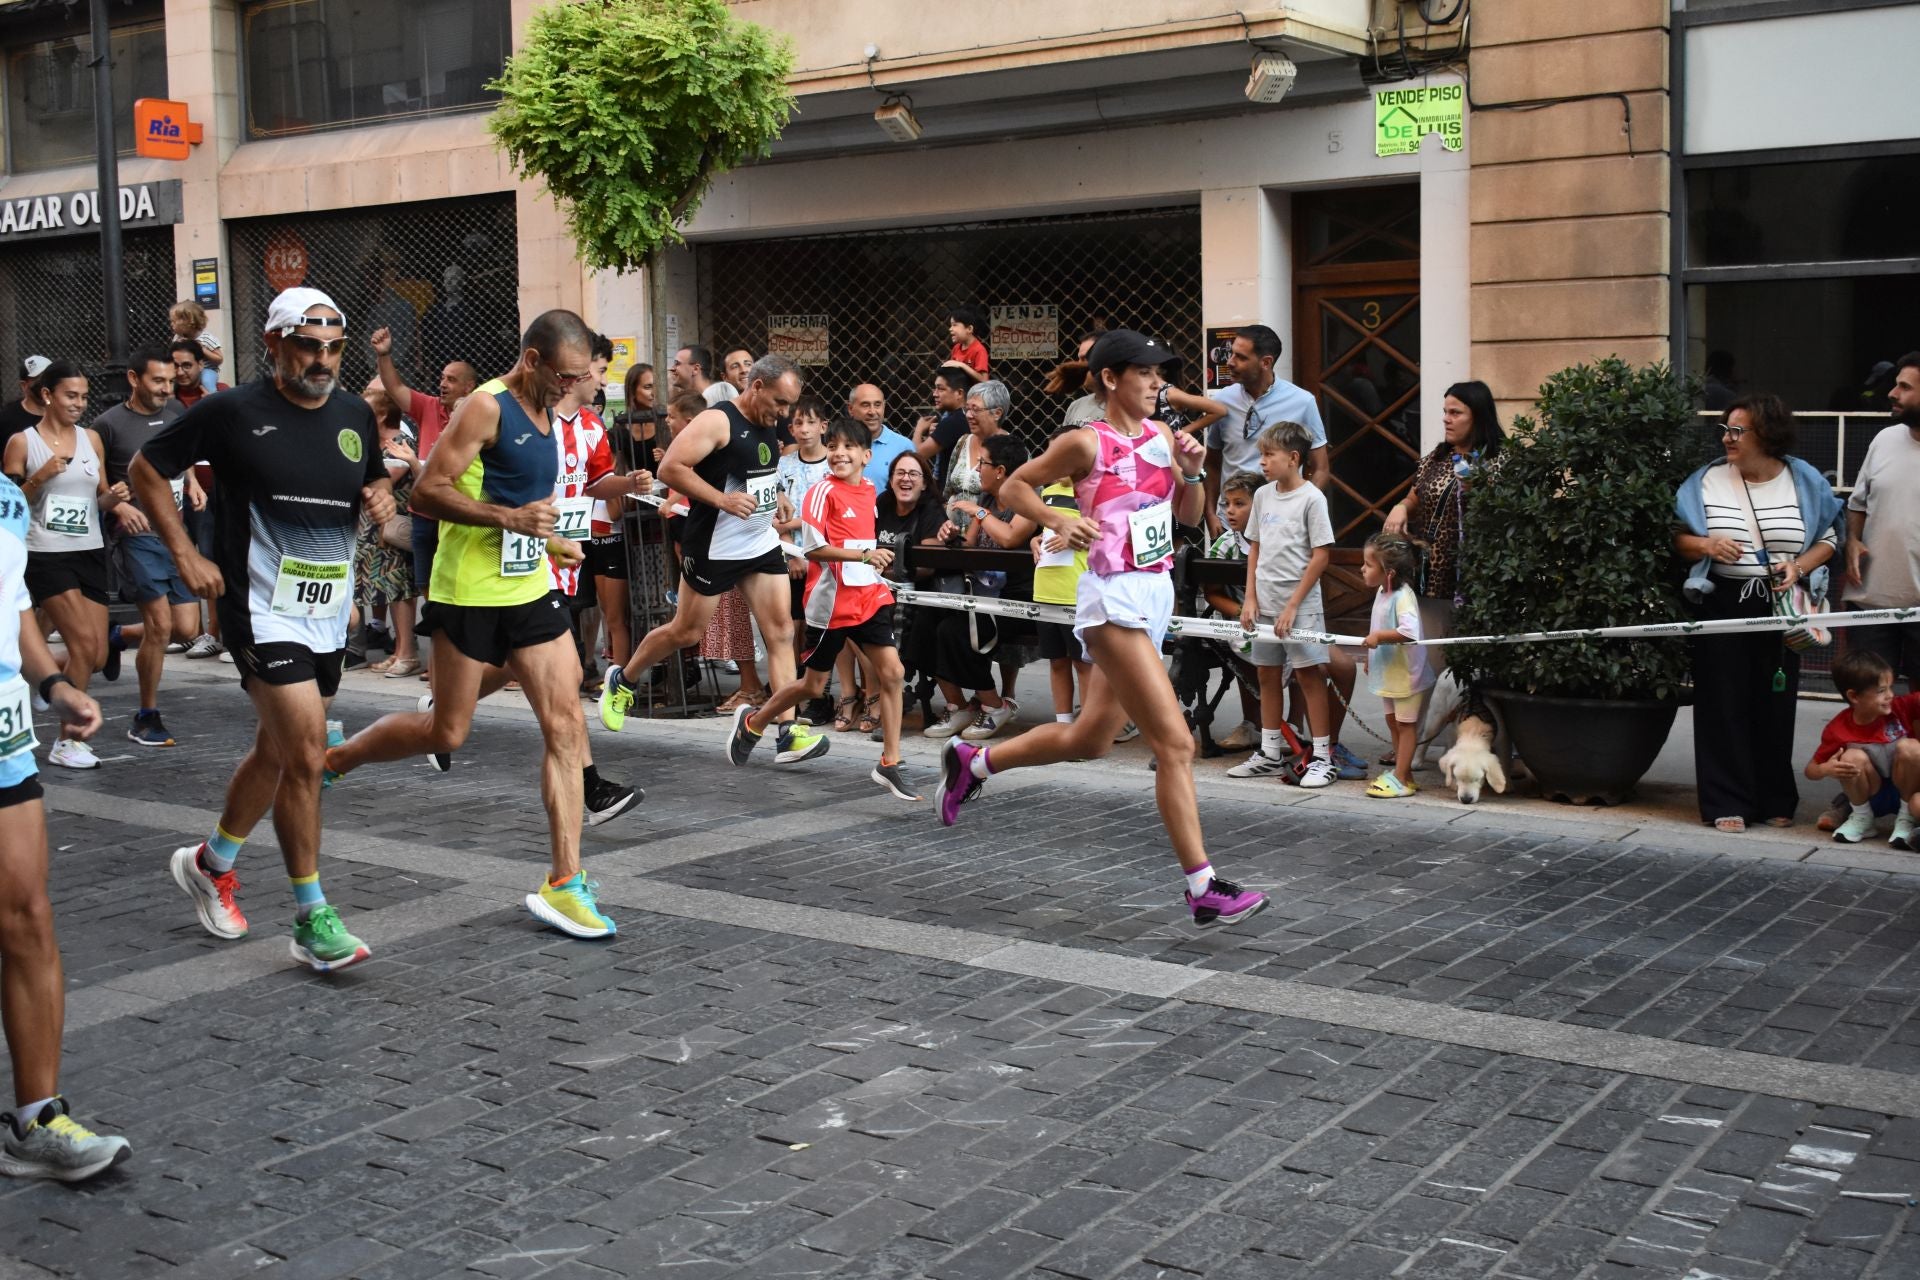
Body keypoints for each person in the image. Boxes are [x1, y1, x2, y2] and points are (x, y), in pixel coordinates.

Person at [935, 329, 1269, 929]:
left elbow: (1187, 519)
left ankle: (973, 764)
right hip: (1111, 599)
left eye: (1160, 374)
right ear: (1112, 378)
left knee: (1090, 738)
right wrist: (1059, 521)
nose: (1156, 383)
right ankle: (1203, 888)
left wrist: (1192, 475)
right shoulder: (1084, 443)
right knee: (1176, 743)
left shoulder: (1165, 437)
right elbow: (1014, 487)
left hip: (1155, 594)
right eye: (1145, 373)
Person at [321, 311, 628, 937]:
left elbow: (527, 506)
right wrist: (506, 521)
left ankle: (565, 881)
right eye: (566, 376)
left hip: (530, 588)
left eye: (581, 377)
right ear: (534, 360)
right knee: (446, 731)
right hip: (467, 592)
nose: (574, 387)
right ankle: (337, 759)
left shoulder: (551, 411)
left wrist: (548, 544)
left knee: (566, 720)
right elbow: (425, 493)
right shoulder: (487, 407)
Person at [137, 287, 397, 972]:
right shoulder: (231, 411)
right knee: (309, 755)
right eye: (308, 345)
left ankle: (211, 861)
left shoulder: (352, 415)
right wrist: (184, 553)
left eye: (334, 347)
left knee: (280, 753)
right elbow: (145, 468)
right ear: (275, 343)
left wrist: (384, 492)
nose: (322, 359)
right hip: (256, 606)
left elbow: (373, 488)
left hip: (323, 610)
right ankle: (313, 915)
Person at [598, 356, 827, 764]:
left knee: (779, 634)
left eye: (789, 405)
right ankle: (624, 678)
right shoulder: (717, 421)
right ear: (755, 386)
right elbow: (670, 468)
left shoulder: (767, 417)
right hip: (715, 546)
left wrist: (779, 495)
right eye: (779, 402)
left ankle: (787, 731)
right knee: (685, 631)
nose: (784, 413)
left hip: (757, 541)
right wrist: (722, 499)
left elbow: (754, 467)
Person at [0, 475, 131, 1180]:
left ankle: (35, 1119)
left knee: (28, 916)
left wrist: (53, 684)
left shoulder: (7, 497)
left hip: (2, 732)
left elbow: (14, 601)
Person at [1674, 394, 1843, 833]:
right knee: (1721, 701)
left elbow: (1829, 538)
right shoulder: (1705, 480)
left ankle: (1774, 796)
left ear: (1765, 434)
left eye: (1737, 431)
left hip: (1780, 602)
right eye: (1725, 430)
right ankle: (1726, 799)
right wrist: (1708, 546)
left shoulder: (1803, 480)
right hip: (1723, 599)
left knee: (1775, 700)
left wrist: (1799, 566)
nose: (1727, 439)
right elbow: (1678, 539)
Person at [728, 419, 918, 800]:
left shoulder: (869, 490)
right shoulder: (821, 492)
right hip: (830, 604)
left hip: (869, 597)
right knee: (813, 685)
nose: (839, 453)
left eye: (849, 447)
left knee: (893, 673)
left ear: (867, 456)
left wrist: (873, 563)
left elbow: (866, 544)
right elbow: (813, 550)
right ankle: (755, 721)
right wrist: (864, 554)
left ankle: (890, 763)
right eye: (833, 446)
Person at [4, 361, 128, 771]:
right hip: (45, 553)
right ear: (47, 396)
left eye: (84, 397)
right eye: (70, 396)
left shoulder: (91, 439)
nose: (78, 404)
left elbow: (100, 496)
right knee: (81, 645)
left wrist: (119, 501)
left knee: (93, 653)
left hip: (90, 550)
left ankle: (45, 682)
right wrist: (39, 478)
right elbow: (10, 504)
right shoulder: (23, 443)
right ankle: (66, 740)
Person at [94, 346, 206, 746]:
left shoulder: (176, 411)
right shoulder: (107, 425)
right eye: (158, 381)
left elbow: (183, 451)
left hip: (173, 534)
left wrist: (191, 480)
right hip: (136, 538)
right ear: (133, 378)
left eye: (170, 382)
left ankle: (118, 636)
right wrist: (119, 504)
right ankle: (146, 716)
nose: (165, 389)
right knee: (159, 627)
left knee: (186, 628)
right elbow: (95, 482)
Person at [1232, 422, 1340, 788]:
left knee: (1310, 676)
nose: (1262, 462)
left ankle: (1324, 757)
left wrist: (1293, 605)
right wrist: (1250, 598)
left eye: (1269, 455)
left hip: (1300, 608)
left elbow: (1321, 555)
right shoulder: (1262, 496)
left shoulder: (1312, 499)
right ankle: (1269, 750)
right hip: (1263, 605)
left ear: (1293, 458)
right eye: (1261, 454)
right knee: (1266, 674)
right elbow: (1255, 549)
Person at [369, 325, 480, 598]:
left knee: (457, 586)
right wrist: (384, 355)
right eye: (442, 378)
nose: (443, 384)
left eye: (452, 380)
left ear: (469, 386)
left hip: (457, 517)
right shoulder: (428, 406)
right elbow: (395, 388)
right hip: (424, 516)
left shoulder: (480, 417)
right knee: (426, 586)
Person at [1203, 325, 1328, 536]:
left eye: (1241, 357)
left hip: (1280, 524)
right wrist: (1210, 513)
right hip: (1231, 524)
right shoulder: (1222, 401)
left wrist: (1300, 511)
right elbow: (1212, 464)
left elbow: (1321, 468)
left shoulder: (1302, 401)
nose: (1230, 362)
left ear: (1266, 362)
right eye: (1231, 353)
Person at [1843, 353, 1920, 688]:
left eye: (1904, 387)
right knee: (1867, 707)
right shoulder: (1884, 440)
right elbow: (1857, 503)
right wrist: (1852, 541)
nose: (1892, 393)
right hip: (1871, 602)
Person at [1806, 650, 1920, 847]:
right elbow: (1811, 769)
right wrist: (1827, 769)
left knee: (1910, 747)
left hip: (1908, 793)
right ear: (1854, 696)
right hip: (1871, 795)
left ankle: (1906, 820)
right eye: (1881, 691)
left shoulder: (1901, 707)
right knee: (1851, 757)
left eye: (1890, 688)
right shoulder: (1838, 728)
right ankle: (1862, 819)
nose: (1890, 695)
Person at [355, 378, 422, 678]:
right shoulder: (377, 445)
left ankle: (407, 653)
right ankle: (398, 653)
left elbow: (374, 485)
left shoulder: (398, 446)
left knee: (401, 590)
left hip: (395, 533)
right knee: (392, 591)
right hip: (379, 535)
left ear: (381, 415)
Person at [1359, 533, 1432, 799]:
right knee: (1393, 722)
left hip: (1406, 674)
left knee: (1406, 725)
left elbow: (1409, 632)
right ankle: (1405, 775)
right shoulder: (1383, 591)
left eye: (1368, 565)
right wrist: (1371, 657)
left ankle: (1400, 776)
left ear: (1388, 573)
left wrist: (1378, 639)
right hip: (1389, 671)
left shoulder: (1402, 596)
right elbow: (1377, 625)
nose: (1362, 569)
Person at [1031, 425, 1091, 728]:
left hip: (1076, 592)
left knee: (1083, 663)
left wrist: (1074, 537)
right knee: (1057, 661)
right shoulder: (1048, 493)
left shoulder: (1092, 492)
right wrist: (1034, 541)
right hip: (1046, 589)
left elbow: (1110, 536)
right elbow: (1041, 532)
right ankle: (1063, 724)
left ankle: (1088, 727)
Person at [1202, 471, 1263, 752]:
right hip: (1241, 624)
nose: (1229, 511)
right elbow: (1212, 593)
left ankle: (1294, 725)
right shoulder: (1224, 546)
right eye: (1227, 504)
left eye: (1239, 504)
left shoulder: (1278, 541)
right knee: (1246, 654)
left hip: (1280, 620)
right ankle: (1252, 723)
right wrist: (1240, 611)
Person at [911, 364, 973, 488]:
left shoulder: (954, 421)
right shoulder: (965, 416)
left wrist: (919, 428)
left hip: (949, 493)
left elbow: (917, 455)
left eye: (941, 389)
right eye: (935, 388)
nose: (935, 394)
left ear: (959, 393)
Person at [849, 383, 914, 489]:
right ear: (850, 409)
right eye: (865, 405)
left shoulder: (904, 447)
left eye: (877, 405)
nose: (872, 411)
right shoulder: (840, 447)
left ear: (884, 406)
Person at [168, 300, 224, 393]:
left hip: (207, 369)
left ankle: (212, 398)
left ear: (186, 322)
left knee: (206, 381)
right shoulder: (178, 337)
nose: (171, 324)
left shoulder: (206, 338)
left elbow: (219, 359)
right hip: (184, 368)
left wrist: (202, 349)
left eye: (174, 321)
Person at [0, 357, 48, 448]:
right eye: (38, 378)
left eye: (49, 376)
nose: (45, 383)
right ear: (24, 385)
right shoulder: (7, 419)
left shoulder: (60, 412)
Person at [168, 340, 226, 410]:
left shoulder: (222, 392)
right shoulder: (166, 396)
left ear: (200, 365)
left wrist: (215, 407)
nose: (180, 372)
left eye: (187, 366)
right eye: (175, 366)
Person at [670, 344, 733, 409]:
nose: (672, 368)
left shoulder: (721, 398)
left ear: (695, 369)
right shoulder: (688, 402)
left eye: (677, 363)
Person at [947, 305, 990, 383]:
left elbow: (984, 380)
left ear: (969, 329)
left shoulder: (979, 350)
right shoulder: (956, 348)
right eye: (951, 325)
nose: (950, 329)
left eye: (954, 325)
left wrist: (962, 365)